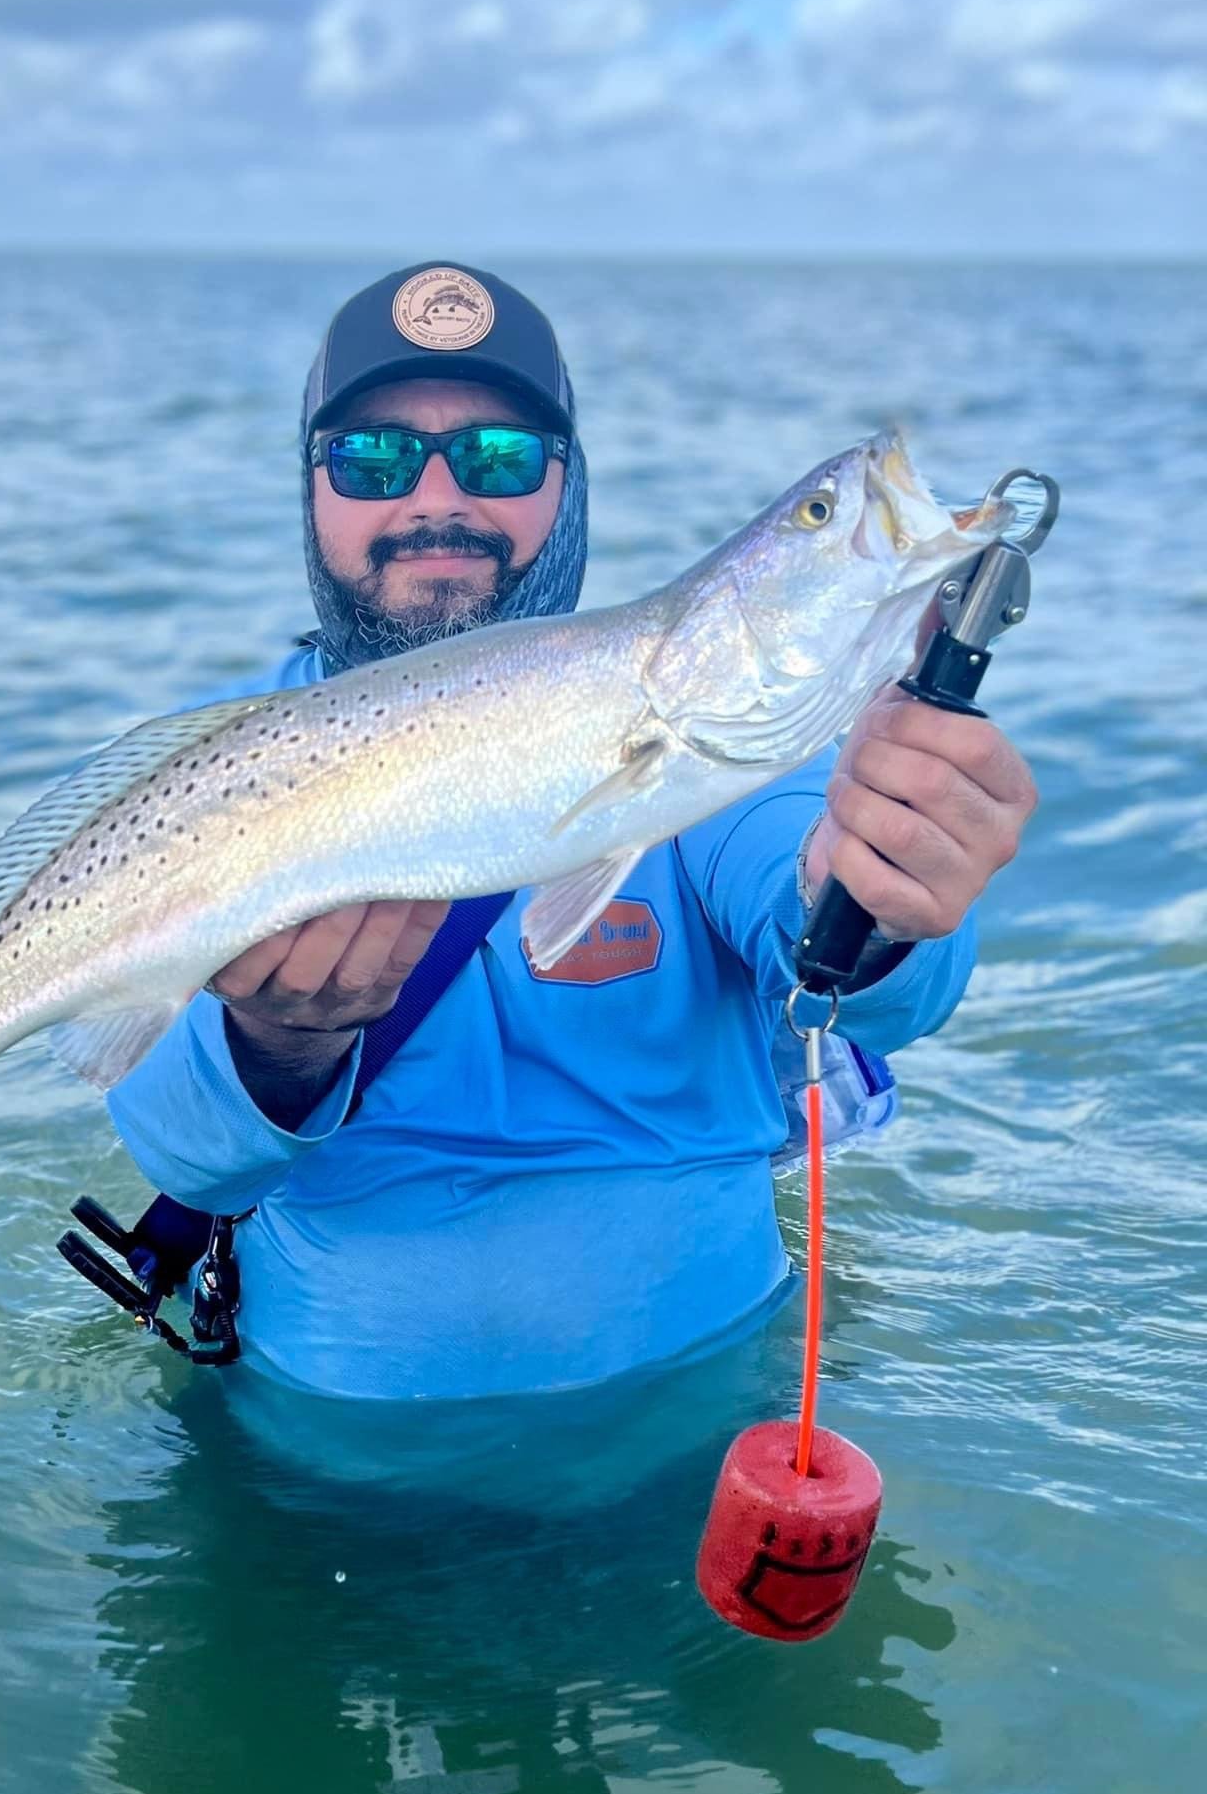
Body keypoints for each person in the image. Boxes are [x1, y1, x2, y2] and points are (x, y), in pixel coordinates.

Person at [105, 261, 1038, 1409]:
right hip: (325, 1471)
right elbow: (183, 1156)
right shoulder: (217, 770)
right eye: (372, 457)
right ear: (312, 492)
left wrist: (884, 890)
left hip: (703, 1440)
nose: (434, 499)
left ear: (571, 486)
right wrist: (279, 1046)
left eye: (500, 455)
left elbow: (874, 983)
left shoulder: (711, 748)